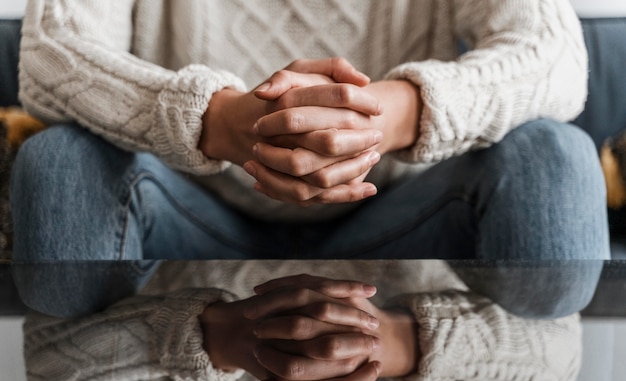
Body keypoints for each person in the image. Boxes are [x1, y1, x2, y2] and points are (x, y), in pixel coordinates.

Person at [10, 0, 610, 260]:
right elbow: (51, 55)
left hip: (403, 216)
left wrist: (388, 115)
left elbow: (554, 56)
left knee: (553, 154)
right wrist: (217, 122)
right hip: (184, 217)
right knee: (59, 160)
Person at [19, 259, 587, 381]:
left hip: (182, 200)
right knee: (547, 156)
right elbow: (555, 343)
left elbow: (52, 356)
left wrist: (214, 336)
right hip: (406, 190)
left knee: (59, 265)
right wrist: (393, 342)